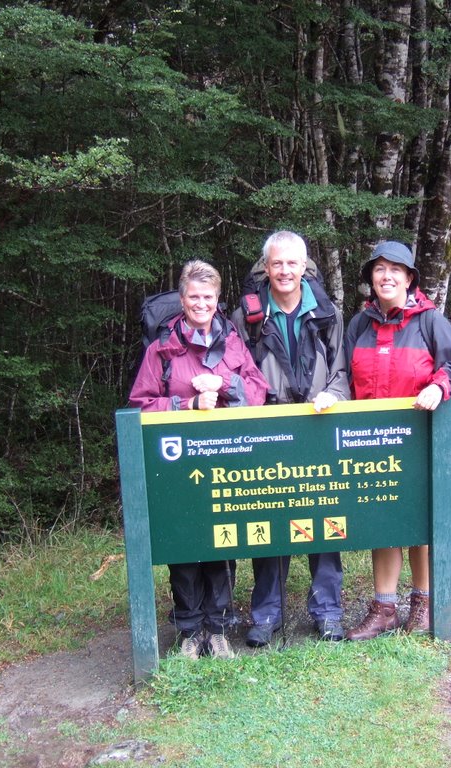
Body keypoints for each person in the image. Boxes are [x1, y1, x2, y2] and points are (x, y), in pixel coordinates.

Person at [128, 259, 269, 659]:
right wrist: (185, 403)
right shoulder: (164, 348)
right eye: (194, 297)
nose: (201, 303)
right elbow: (139, 406)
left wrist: (224, 382)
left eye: (208, 297)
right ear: (182, 298)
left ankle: (220, 626)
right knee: (185, 543)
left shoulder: (233, 341)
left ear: (217, 298)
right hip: (178, 463)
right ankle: (189, 629)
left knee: (222, 538)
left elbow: (258, 391)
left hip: (224, 459)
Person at [343, 241, 451, 641]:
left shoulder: (429, 321)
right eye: (379, 269)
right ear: (370, 278)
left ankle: (423, 604)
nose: (386, 277)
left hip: (419, 440)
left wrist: (441, 385)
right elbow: (343, 376)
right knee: (383, 521)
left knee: (421, 523)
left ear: (409, 278)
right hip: (370, 442)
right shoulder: (359, 325)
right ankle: (384, 609)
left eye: (395, 270)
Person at [231, 230, 351, 646]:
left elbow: (342, 370)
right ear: (266, 267)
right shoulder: (247, 315)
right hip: (268, 431)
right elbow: (235, 373)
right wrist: (256, 406)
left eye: (292, 263)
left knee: (325, 521)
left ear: (304, 267)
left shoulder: (326, 313)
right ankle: (266, 614)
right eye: (276, 263)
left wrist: (331, 395)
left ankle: (328, 611)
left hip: (318, 425)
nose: (284, 271)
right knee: (268, 520)